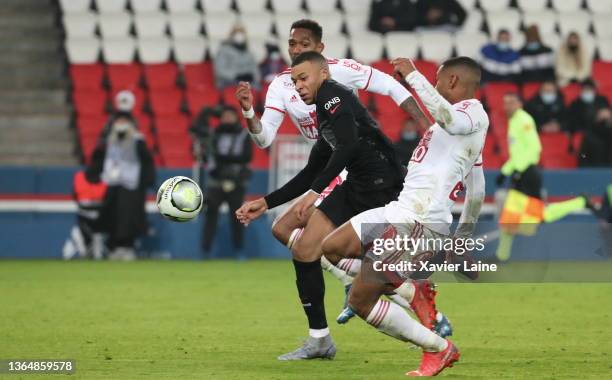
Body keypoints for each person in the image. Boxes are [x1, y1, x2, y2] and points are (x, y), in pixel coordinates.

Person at [234, 19, 453, 331]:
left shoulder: (338, 79)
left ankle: (414, 312)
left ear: (320, 54)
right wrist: (248, 114)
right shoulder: (285, 87)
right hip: (336, 167)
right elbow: (267, 139)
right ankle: (363, 287)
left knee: (315, 243)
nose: (296, 50)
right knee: (289, 233)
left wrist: (424, 124)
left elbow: (387, 88)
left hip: (363, 171)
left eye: (304, 45)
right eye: (292, 44)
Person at [319, 56, 488, 376]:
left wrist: (414, 76)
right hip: (400, 211)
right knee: (331, 246)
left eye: (438, 80)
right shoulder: (459, 134)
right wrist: (461, 242)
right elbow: (477, 191)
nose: (434, 86)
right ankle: (410, 286)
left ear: (451, 81)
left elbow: (450, 118)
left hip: (420, 222)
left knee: (361, 301)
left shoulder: (472, 115)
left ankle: (439, 349)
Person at [236, 51, 410, 361]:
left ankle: (408, 292)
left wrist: (314, 193)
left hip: (382, 185)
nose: (298, 86)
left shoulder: (333, 95)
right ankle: (320, 340)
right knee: (305, 250)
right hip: (357, 184)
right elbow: (312, 169)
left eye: (303, 78)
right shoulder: (323, 111)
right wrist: (266, 202)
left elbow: (348, 146)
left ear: (323, 75)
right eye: (294, 81)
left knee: (351, 269)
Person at [88, 115, 156, 260]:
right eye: (119, 121)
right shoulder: (108, 141)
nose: (121, 125)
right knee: (112, 216)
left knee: (129, 218)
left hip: (131, 185)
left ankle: (127, 247)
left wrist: (147, 181)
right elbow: (98, 158)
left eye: (124, 122)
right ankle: (114, 246)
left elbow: (147, 162)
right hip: (112, 183)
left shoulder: (137, 141)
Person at [201, 106, 252, 257]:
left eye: (231, 116)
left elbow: (247, 157)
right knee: (210, 215)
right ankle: (205, 250)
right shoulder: (213, 134)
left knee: (237, 217)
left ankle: (239, 250)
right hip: (216, 181)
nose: (228, 119)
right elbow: (208, 154)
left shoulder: (244, 134)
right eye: (225, 116)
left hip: (236, 181)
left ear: (237, 117)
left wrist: (223, 159)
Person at [496, 93, 542, 198]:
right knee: (520, 211)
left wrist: (519, 170)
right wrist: (505, 172)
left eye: (511, 103)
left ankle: (580, 202)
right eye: (506, 103)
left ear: (519, 105)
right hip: (521, 172)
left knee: (533, 211)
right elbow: (517, 155)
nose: (508, 106)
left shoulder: (524, 120)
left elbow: (535, 148)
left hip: (528, 173)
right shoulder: (514, 121)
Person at [214, 25, 260, 89]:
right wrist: (236, 76)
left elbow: (255, 69)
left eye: (241, 33)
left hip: (247, 82)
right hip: (229, 82)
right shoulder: (223, 50)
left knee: (257, 87)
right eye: (236, 33)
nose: (239, 36)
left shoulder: (248, 52)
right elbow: (220, 70)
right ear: (232, 35)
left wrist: (252, 76)